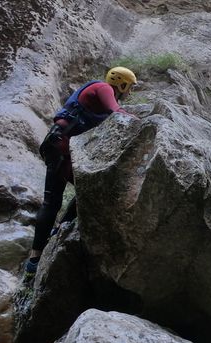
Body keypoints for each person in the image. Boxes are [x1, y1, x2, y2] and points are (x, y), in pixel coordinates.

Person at [23, 67, 138, 281]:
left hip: (62, 148)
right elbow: (117, 111)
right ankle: (36, 258)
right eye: (129, 87)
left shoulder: (99, 98)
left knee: (85, 193)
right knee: (54, 201)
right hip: (59, 147)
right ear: (120, 83)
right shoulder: (103, 88)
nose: (129, 92)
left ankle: (54, 238)